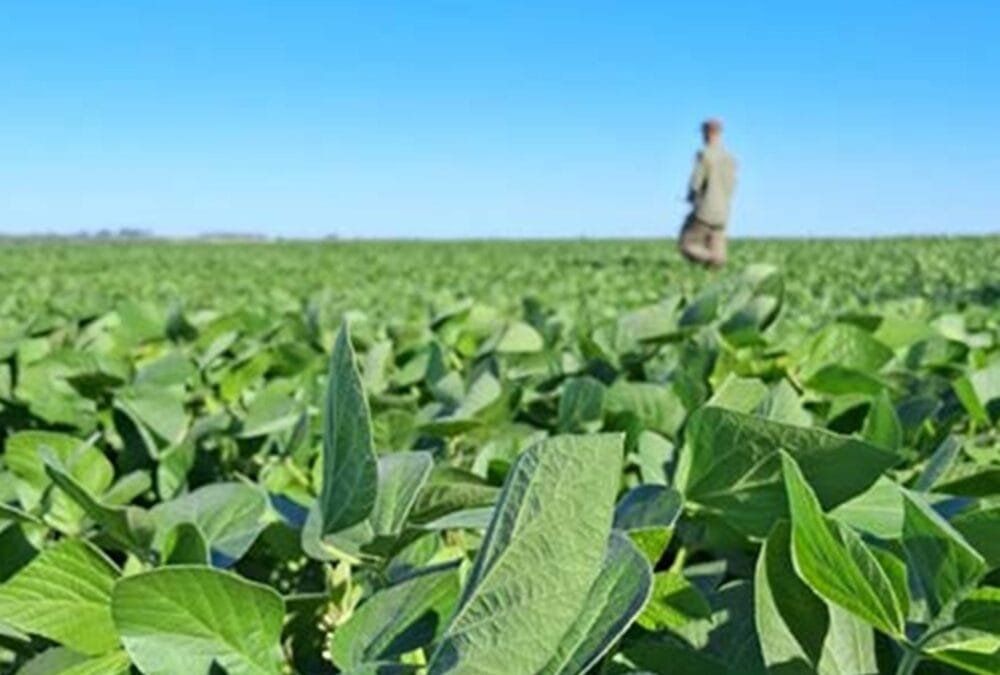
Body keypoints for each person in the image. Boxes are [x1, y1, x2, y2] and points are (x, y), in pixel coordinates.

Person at [678, 118, 738, 268]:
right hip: (723, 211)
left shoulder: (704, 154)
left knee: (686, 245)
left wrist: (690, 196)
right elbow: (733, 184)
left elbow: (696, 182)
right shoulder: (730, 158)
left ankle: (713, 258)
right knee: (717, 251)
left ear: (705, 133)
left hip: (704, 211)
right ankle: (717, 262)